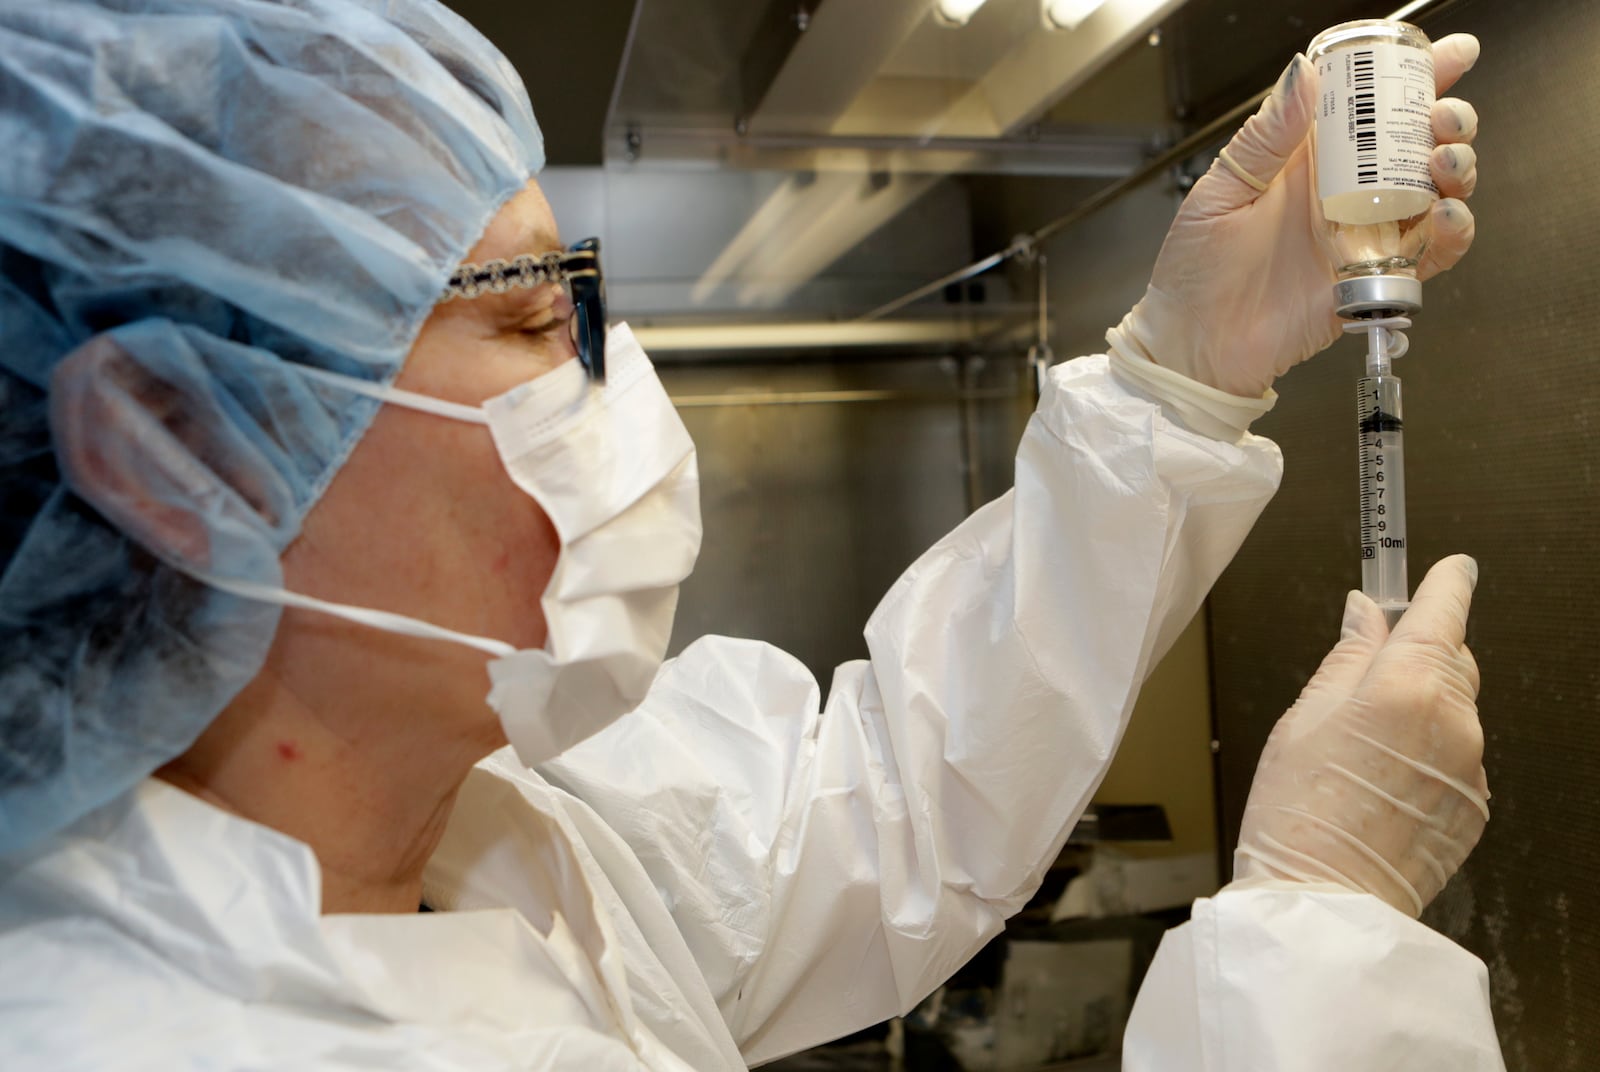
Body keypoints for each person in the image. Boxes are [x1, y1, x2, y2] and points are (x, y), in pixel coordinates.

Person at [0, 2, 1501, 1069]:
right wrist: (1321, 958)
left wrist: (1180, 377)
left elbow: (879, 806)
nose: (621, 393)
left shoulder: (497, 821)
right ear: (176, 449)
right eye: (531, 317)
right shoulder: (131, 1032)